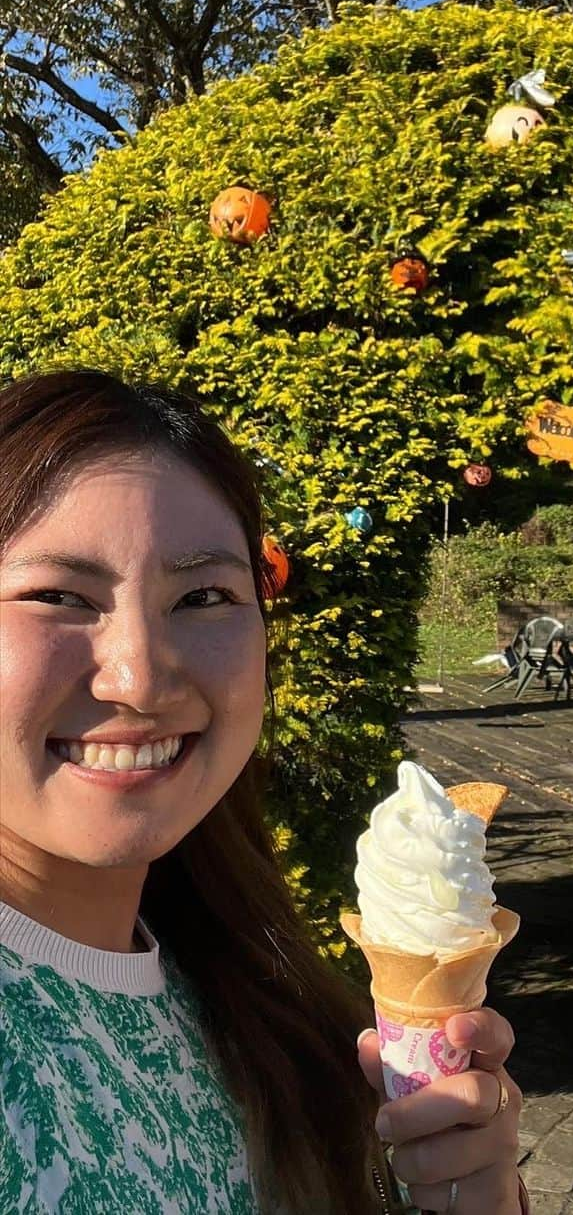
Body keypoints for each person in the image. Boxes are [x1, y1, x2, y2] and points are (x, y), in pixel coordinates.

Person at [0, 368, 528, 1215]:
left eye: (205, 596)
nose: (141, 677)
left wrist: (472, 1197)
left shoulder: (248, 992)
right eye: (58, 596)